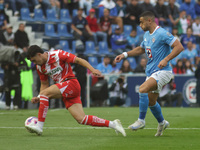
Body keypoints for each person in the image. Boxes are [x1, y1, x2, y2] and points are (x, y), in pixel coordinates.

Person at [25, 45, 126, 136]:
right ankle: (113, 124)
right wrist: (40, 96)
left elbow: (78, 60)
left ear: (39, 54)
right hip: (65, 90)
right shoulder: (39, 67)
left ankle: (39, 126)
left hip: (71, 83)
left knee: (45, 94)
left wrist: (92, 69)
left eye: (34, 60)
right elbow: (44, 84)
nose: (34, 63)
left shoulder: (57, 55)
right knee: (81, 119)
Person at [115, 11, 184, 136]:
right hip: (151, 72)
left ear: (149, 21)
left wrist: (166, 59)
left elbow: (179, 46)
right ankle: (162, 122)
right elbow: (141, 49)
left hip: (163, 71)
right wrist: (125, 54)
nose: (140, 25)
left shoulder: (162, 33)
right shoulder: (147, 35)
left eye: (141, 22)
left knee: (142, 89)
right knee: (152, 102)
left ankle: (141, 120)